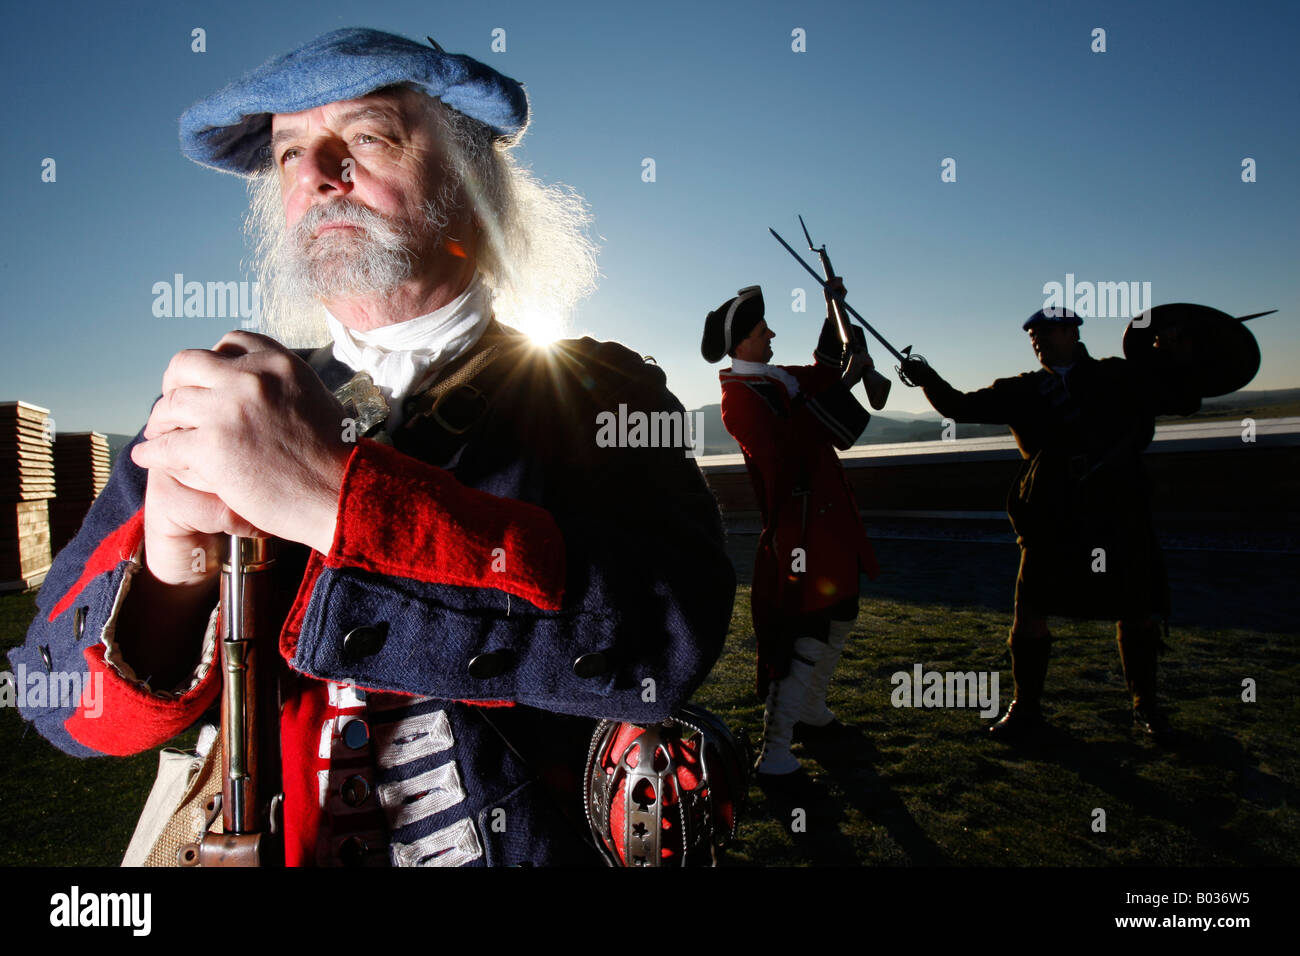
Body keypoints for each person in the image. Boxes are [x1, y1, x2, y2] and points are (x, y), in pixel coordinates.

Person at [9, 28, 735, 866]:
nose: (318, 175)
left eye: (367, 136)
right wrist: (171, 578)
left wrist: (335, 500)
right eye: (289, 155)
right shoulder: (213, 405)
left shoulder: (600, 391)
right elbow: (48, 697)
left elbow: (668, 639)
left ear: (469, 180)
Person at [900, 308, 1200, 742]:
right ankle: (1026, 710)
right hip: (1051, 515)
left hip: (1117, 510)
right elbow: (959, 405)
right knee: (1030, 612)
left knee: (1135, 609)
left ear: (1071, 332)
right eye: (1032, 335)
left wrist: (1177, 354)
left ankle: (1146, 707)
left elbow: (1184, 401)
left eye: (1045, 332)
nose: (1037, 339)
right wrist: (926, 377)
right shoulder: (1020, 390)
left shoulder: (1121, 376)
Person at [702, 281, 879, 775]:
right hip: (798, 530)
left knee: (841, 614)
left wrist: (832, 306)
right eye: (762, 330)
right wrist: (845, 383)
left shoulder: (776, 377)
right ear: (741, 344)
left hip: (828, 522)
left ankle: (810, 711)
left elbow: (821, 372)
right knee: (806, 634)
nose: (772, 333)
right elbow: (787, 449)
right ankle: (775, 752)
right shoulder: (738, 399)